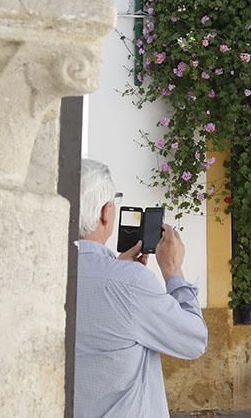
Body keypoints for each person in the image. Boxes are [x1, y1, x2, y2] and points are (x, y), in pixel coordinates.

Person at [74, 159, 208, 417]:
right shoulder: (131, 282)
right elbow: (194, 341)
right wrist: (172, 271)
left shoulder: (46, 275)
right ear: (105, 212)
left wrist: (118, 269)